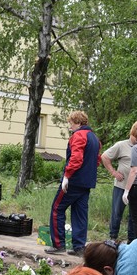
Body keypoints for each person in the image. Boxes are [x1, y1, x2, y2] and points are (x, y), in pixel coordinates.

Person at [46, 110, 100, 256]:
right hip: (87, 182)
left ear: (77, 122)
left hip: (74, 181)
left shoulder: (79, 135)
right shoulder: (94, 138)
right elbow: (97, 160)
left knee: (57, 208)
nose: (70, 126)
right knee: (80, 213)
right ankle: (79, 247)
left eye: (70, 123)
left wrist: (67, 176)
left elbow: (76, 158)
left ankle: (58, 244)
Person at [100, 137, 134, 242]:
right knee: (117, 212)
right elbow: (105, 156)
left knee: (134, 214)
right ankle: (113, 237)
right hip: (121, 185)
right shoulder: (121, 145)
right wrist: (113, 172)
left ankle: (131, 239)